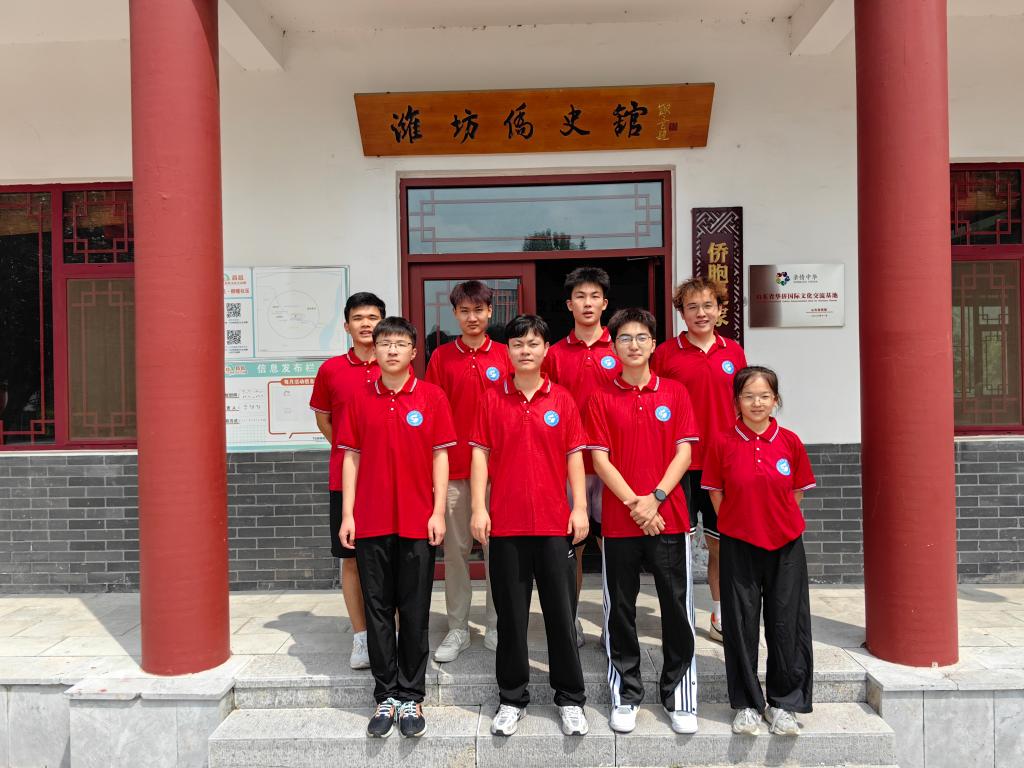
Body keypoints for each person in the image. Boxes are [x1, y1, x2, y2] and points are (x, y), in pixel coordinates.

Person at [469, 314, 590, 738]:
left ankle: (570, 698)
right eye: (518, 344)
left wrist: (579, 508)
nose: (525, 350)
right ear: (508, 350)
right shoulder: (491, 399)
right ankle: (511, 698)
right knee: (511, 619)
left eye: (533, 343)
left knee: (561, 616)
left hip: (555, 524)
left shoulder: (563, 399)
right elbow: (480, 455)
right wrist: (479, 508)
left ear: (545, 350)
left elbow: (574, 456)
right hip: (507, 525)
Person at [337, 316, 457, 739]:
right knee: (378, 610)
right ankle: (385, 695)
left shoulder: (432, 397)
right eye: (384, 343)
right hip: (371, 521)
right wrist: (348, 514)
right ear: (375, 349)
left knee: (415, 609)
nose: (391, 350)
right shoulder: (359, 399)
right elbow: (350, 458)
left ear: (413, 352)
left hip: (417, 521)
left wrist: (438, 512)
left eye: (400, 343)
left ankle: (411, 695)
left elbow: (440, 457)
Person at [586, 307, 701, 735]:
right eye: (624, 338)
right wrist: (636, 505)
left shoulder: (675, 392)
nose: (633, 345)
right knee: (621, 610)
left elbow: (684, 453)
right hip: (619, 521)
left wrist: (655, 500)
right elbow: (600, 460)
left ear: (653, 344)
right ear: (613, 347)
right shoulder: (600, 397)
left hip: (669, 518)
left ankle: (679, 696)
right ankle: (626, 693)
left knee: (677, 607)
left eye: (641, 338)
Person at [700, 365, 816, 737]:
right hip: (739, 544)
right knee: (740, 626)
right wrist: (739, 523)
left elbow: (795, 492)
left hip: (785, 546)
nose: (757, 403)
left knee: (787, 625)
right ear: (737, 401)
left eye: (764, 396)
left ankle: (784, 704)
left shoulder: (790, 442)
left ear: (775, 400)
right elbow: (715, 492)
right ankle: (748, 704)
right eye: (748, 396)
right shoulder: (722, 442)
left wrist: (775, 521)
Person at [652, 277, 746, 644]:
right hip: (680, 463)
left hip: (723, 464)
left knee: (721, 543)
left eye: (708, 305)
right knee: (679, 546)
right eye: (692, 307)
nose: (701, 313)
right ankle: (680, 617)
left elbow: (743, 405)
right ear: (682, 313)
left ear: (720, 309)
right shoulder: (665, 354)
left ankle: (720, 614)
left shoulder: (733, 351)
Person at [425, 280, 509, 662]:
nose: (472, 317)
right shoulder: (442, 358)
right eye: (464, 311)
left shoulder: (506, 355)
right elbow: (431, 415)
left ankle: (497, 624)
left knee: (498, 554)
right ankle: (458, 627)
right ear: (455, 314)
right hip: (456, 469)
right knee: (456, 554)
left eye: (479, 310)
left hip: (499, 474)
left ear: (490, 312)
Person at [543, 266, 621, 646]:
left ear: (605, 303)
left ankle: (613, 623)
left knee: (613, 548)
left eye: (594, 297)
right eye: (580, 297)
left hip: (612, 467)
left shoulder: (621, 348)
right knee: (569, 549)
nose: (587, 303)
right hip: (567, 467)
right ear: (569, 304)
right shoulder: (555, 354)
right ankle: (570, 620)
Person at [309, 291, 385, 670]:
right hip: (345, 480)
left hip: (389, 480)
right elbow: (323, 418)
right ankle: (361, 636)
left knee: (388, 559)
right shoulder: (331, 370)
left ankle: (389, 632)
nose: (366, 324)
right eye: (358, 318)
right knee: (352, 559)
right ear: (346, 326)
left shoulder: (395, 365)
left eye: (373, 317)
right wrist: (348, 449)